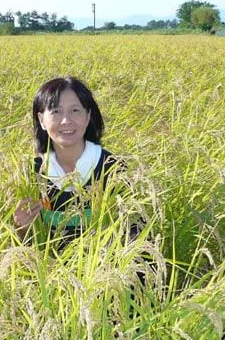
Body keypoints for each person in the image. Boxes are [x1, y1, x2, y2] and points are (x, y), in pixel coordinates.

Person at [12, 77, 135, 249]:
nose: (66, 120)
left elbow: (135, 235)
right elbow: (24, 247)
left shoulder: (112, 168)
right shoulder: (32, 172)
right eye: (56, 111)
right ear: (41, 120)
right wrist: (20, 228)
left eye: (75, 110)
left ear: (88, 116)